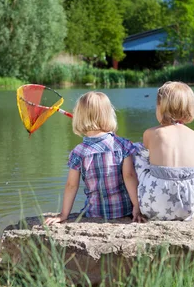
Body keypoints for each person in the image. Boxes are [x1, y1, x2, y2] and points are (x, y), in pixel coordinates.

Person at [45, 92, 145, 225]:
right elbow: (129, 176)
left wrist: (64, 214)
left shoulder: (78, 152)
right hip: (125, 210)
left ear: (79, 118)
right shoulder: (122, 145)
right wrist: (137, 208)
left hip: (95, 213)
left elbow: (71, 185)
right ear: (109, 115)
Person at [134, 81, 194, 221]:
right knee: (190, 173)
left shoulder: (151, 133)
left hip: (152, 206)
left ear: (160, 107)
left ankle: (135, 204)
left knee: (137, 152)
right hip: (187, 207)